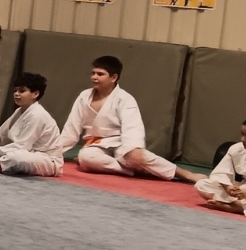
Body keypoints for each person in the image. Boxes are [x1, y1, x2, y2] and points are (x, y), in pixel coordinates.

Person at [55, 56, 183, 180]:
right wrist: (55, 152)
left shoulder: (124, 99)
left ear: (114, 77)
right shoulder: (84, 96)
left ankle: (183, 173)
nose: (94, 77)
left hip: (120, 143)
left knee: (139, 157)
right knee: (86, 157)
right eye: (93, 73)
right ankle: (130, 170)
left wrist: (133, 149)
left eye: (100, 74)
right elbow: (71, 128)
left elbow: (133, 127)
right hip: (96, 145)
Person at [0, 73, 63, 176]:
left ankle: (5, 163)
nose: (16, 94)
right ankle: (4, 162)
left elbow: (21, 148)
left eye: (22, 91)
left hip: (47, 160)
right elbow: (1, 137)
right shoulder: (19, 111)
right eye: (15, 90)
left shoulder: (37, 115)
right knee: (6, 154)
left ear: (35, 94)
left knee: (16, 158)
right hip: (26, 152)